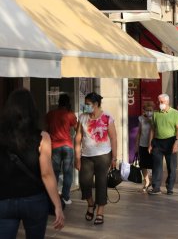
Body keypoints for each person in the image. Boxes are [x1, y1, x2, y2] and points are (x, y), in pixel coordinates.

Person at [0, 89, 64, 238]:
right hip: (34, 200)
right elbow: (46, 174)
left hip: (4, 200)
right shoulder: (42, 137)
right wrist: (58, 205)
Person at [75, 92, 117, 225]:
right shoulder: (82, 118)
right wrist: (77, 157)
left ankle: (100, 212)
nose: (85, 106)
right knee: (84, 182)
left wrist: (114, 157)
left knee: (101, 183)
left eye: (88, 104)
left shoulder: (107, 118)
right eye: (85, 104)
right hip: (86, 156)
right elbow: (78, 138)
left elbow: (113, 138)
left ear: (96, 104)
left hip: (104, 155)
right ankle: (90, 204)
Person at [45, 93, 77, 205]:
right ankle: (65, 197)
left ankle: (53, 197)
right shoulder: (70, 115)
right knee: (68, 173)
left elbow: (47, 129)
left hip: (55, 146)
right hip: (67, 146)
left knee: (55, 173)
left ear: (59, 102)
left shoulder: (51, 114)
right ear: (68, 103)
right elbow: (77, 129)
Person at [148, 94, 178, 195]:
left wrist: (176, 141)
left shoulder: (175, 113)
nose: (160, 104)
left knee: (171, 166)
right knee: (157, 166)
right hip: (157, 142)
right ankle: (156, 188)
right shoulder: (155, 114)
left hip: (170, 141)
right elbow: (153, 129)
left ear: (167, 102)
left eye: (162, 102)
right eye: (159, 102)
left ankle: (170, 187)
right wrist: (150, 143)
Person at [135, 103, 154, 192]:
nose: (149, 112)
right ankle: (146, 181)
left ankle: (154, 182)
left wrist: (151, 120)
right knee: (143, 164)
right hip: (142, 144)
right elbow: (139, 132)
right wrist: (136, 146)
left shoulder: (155, 117)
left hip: (153, 145)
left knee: (153, 164)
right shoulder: (141, 119)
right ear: (144, 110)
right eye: (147, 110)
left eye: (150, 110)